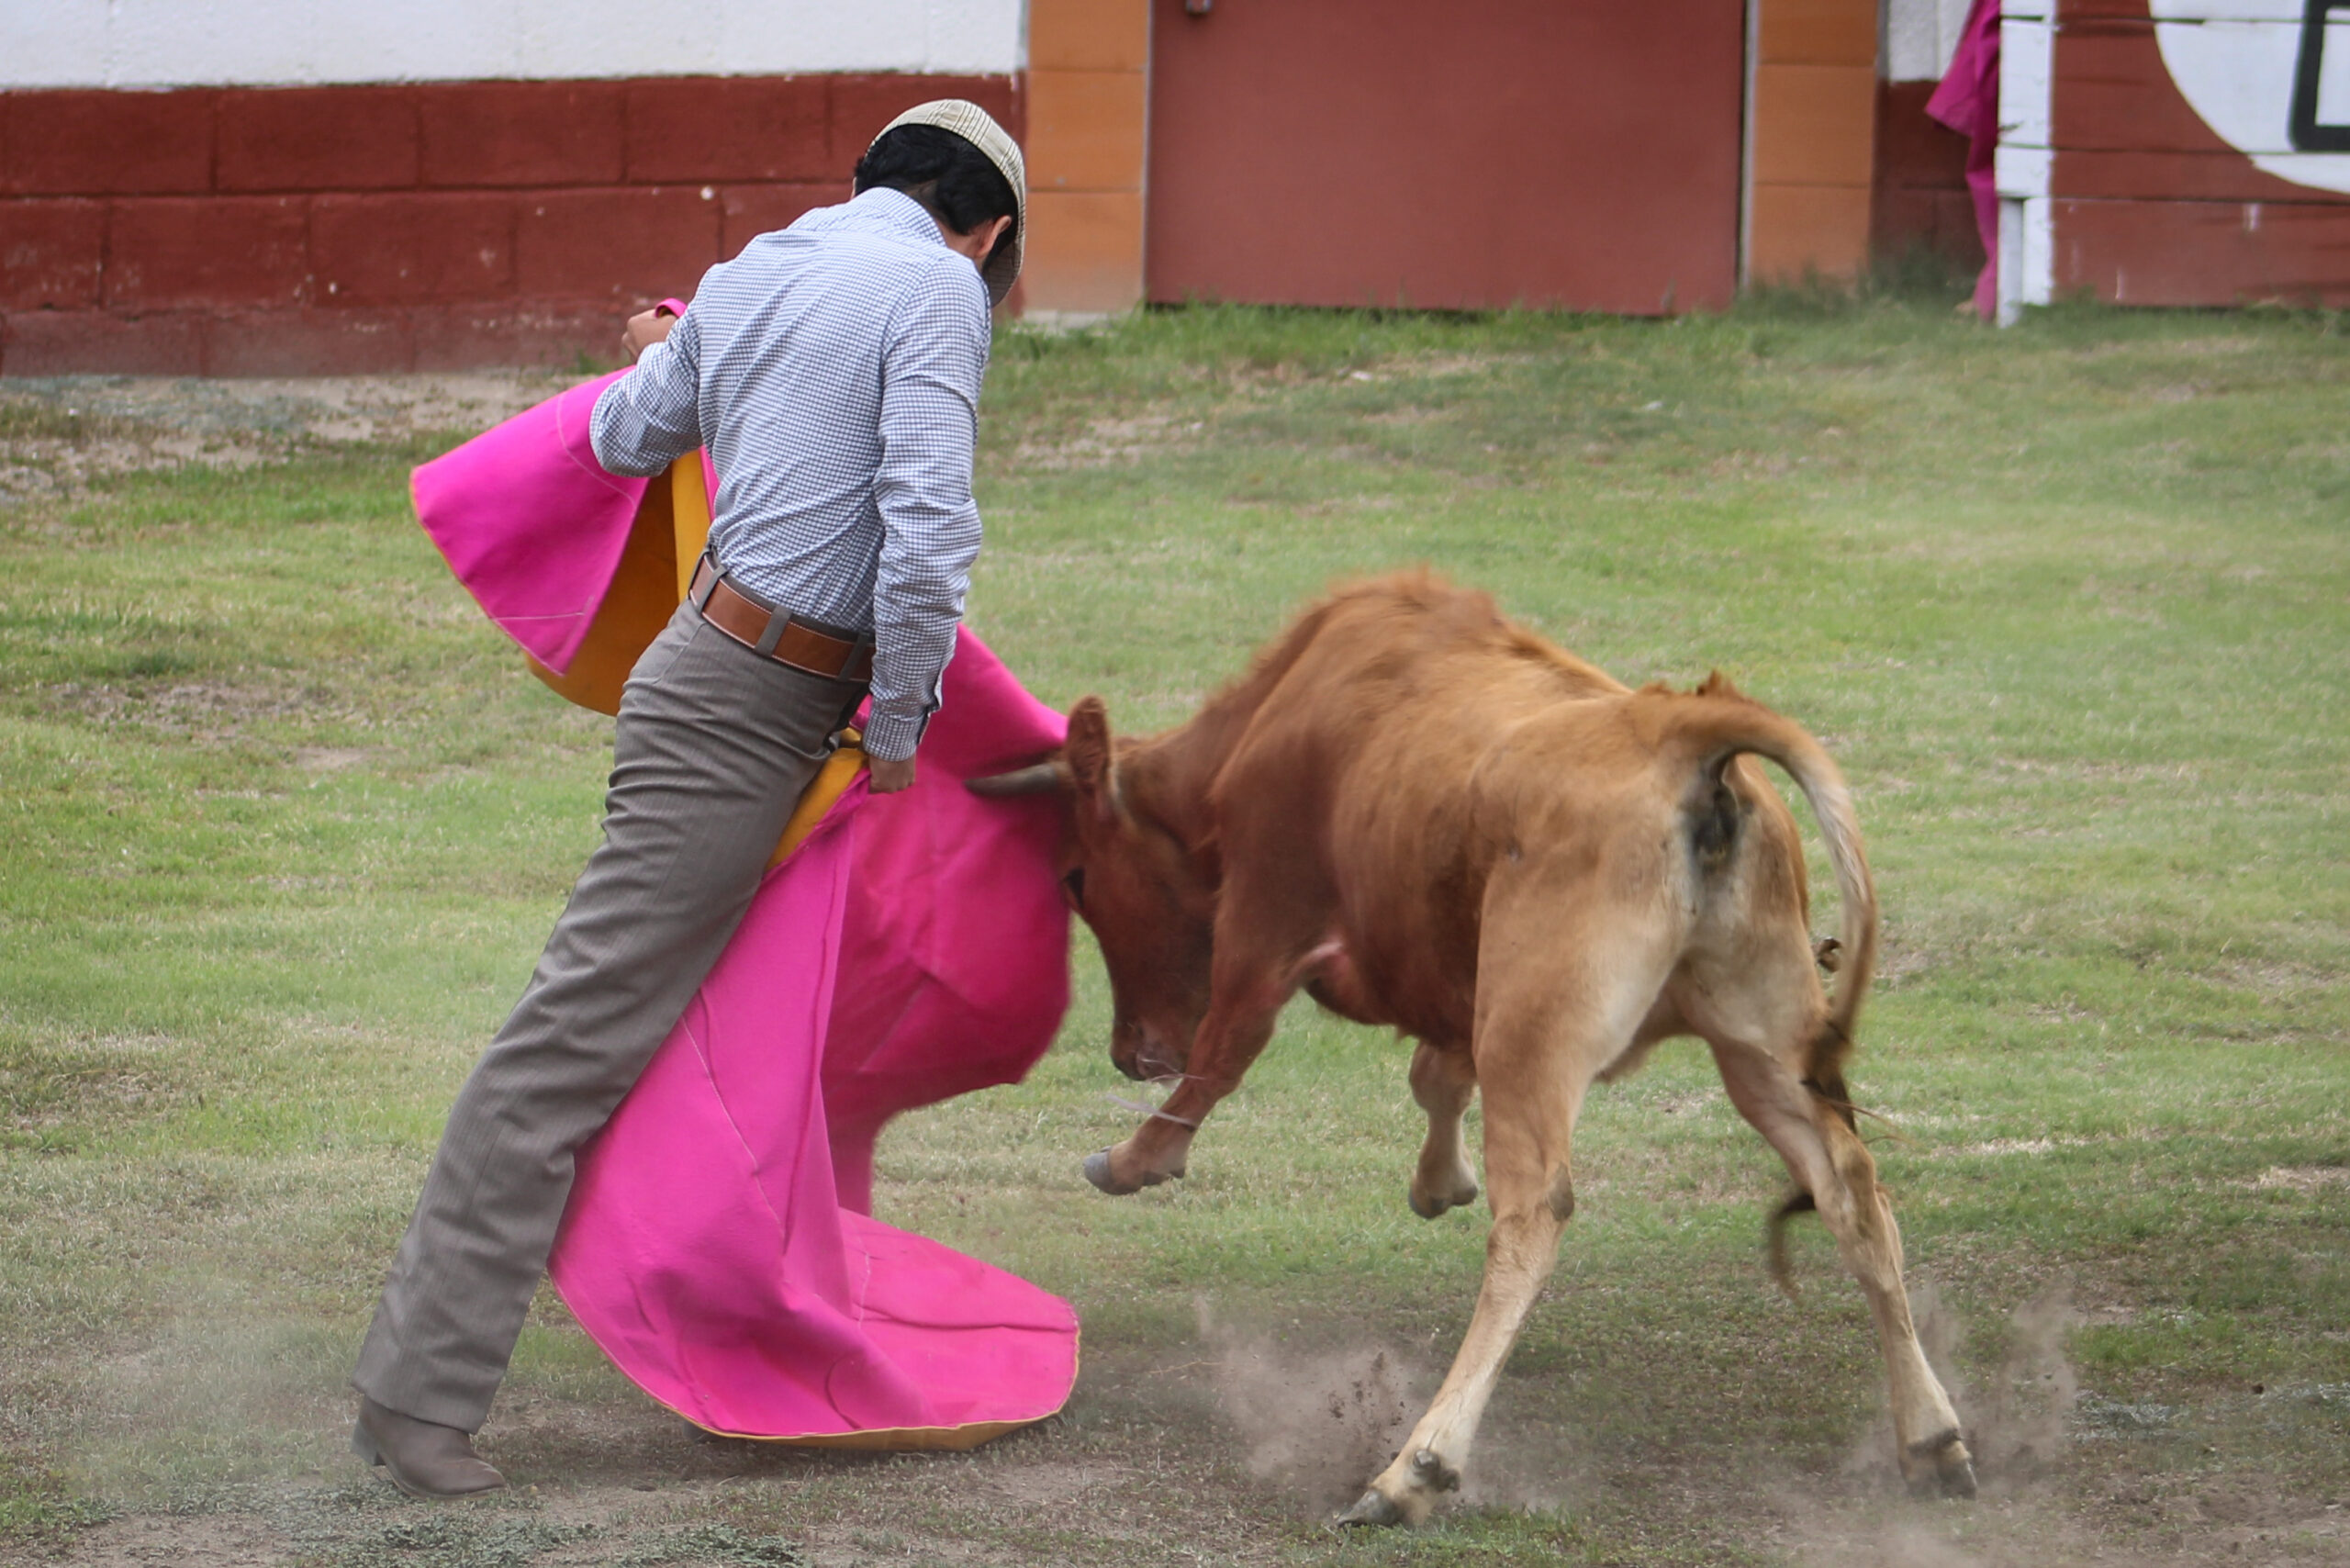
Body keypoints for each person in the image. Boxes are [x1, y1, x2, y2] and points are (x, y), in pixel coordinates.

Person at [348, 100, 1025, 1497]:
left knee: (676, 1017)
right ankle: (413, 1400)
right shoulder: (937, 293)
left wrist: (684, 348)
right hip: (749, 711)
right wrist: (898, 725)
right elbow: (925, 533)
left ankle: (720, 1300)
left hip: (720, 675)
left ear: (871, 182)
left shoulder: (765, 262)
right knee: (576, 1031)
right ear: (991, 233)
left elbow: (627, 434)